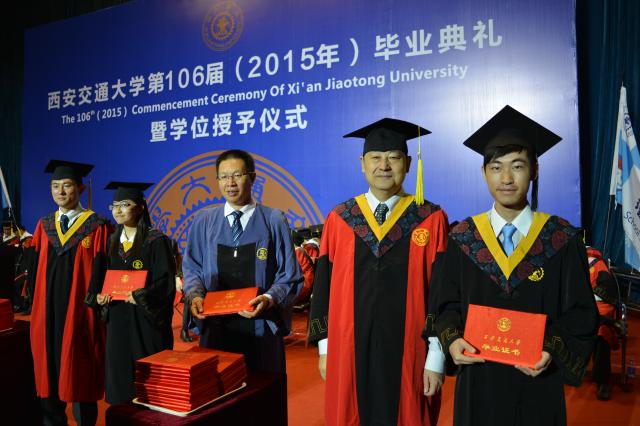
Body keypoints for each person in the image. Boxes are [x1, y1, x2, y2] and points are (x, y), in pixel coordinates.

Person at [430, 105, 598, 425]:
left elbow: (581, 314)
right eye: (496, 167)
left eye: (517, 166)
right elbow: (445, 305)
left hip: (538, 384)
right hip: (478, 383)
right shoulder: (463, 238)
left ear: (534, 170)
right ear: (484, 173)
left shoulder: (560, 239)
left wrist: (551, 349)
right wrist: (451, 340)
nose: (506, 178)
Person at [308, 118, 449, 426]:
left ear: (408, 164)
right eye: (375, 157)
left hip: (411, 352)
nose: (384, 166)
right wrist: (325, 348)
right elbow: (324, 288)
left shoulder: (430, 219)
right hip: (347, 350)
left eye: (393, 157)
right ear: (362, 164)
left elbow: (443, 294)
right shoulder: (340, 219)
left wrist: (436, 356)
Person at [182, 149, 303, 373]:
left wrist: (269, 299)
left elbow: (289, 275)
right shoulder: (203, 221)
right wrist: (195, 295)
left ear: (253, 177)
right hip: (216, 329)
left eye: (237, 175)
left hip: (261, 328)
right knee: (219, 389)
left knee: (263, 390)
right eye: (223, 177)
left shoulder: (273, 220)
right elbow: (192, 268)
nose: (230, 183)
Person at [29, 160, 111, 426]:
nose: (60, 192)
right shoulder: (44, 226)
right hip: (48, 313)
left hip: (80, 312)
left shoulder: (96, 226)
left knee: (80, 371)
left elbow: (102, 271)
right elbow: (33, 270)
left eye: (66, 185)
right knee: (49, 370)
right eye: (55, 186)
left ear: (80, 188)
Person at [97, 182, 176, 405]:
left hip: (145, 320)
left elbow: (166, 281)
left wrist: (142, 295)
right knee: (119, 371)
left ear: (140, 208)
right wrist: (101, 296)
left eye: (125, 204)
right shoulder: (111, 241)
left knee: (147, 376)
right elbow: (102, 277)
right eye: (115, 205)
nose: (118, 210)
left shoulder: (156, 240)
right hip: (118, 318)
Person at [586, 246, 620, 401]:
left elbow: (609, 297)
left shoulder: (598, 266)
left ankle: (602, 382)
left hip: (600, 308)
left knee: (602, 333)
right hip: (580, 310)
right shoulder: (571, 266)